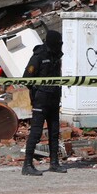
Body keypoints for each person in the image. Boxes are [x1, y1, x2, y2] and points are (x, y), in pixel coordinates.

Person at [22, 29, 66, 176]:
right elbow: (27, 78)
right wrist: (38, 91)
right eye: (58, 43)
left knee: (54, 132)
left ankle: (54, 163)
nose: (60, 46)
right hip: (41, 101)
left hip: (54, 99)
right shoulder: (39, 56)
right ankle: (27, 165)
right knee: (36, 132)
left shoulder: (57, 56)